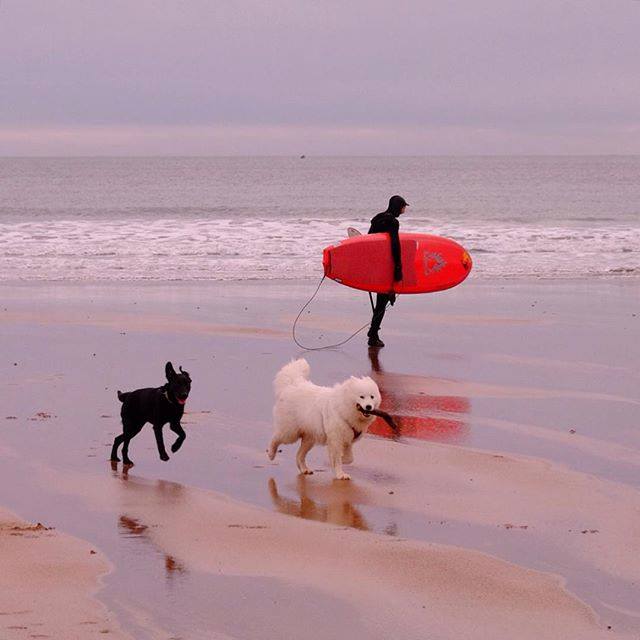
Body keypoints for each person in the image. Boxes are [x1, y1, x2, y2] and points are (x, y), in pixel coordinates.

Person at [367, 195, 408, 347]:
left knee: (381, 301)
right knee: (382, 301)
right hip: (386, 265)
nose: (404, 210)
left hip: (375, 265)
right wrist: (398, 267)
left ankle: (373, 332)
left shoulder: (377, 219)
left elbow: (369, 240)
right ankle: (373, 334)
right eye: (403, 207)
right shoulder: (393, 222)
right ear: (398, 207)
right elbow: (395, 245)